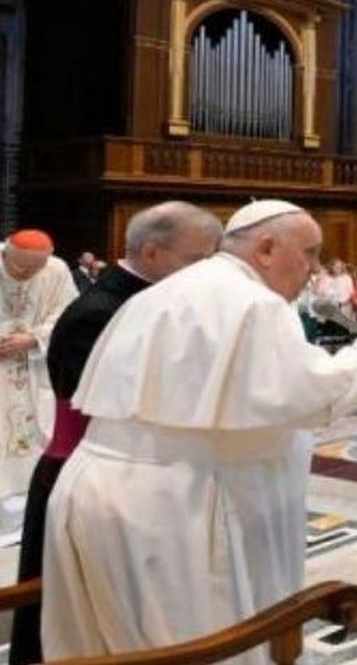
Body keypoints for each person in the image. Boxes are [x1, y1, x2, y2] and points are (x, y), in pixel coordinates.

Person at [41, 200, 357, 663]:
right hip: (174, 507)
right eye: (310, 253)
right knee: (192, 645)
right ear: (266, 248)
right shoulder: (252, 303)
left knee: (108, 642)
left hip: (98, 492)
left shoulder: (165, 291)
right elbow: (323, 394)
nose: (314, 268)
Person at [10, 203, 221, 665]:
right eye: (196, 260)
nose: (206, 273)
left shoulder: (147, 300)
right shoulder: (100, 311)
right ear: (151, 252)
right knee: (73, 617)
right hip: (87, 479)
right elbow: (113, 410)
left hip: (130, 479)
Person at [0, 230, 77, 501]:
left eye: (36, 267)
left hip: (35, 365)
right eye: (21, 267)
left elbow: (67, 314)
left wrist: (34, 338)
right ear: (5, 254)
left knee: (31, 431)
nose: (28, 273)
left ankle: (29, 497)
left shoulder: (57, 270)